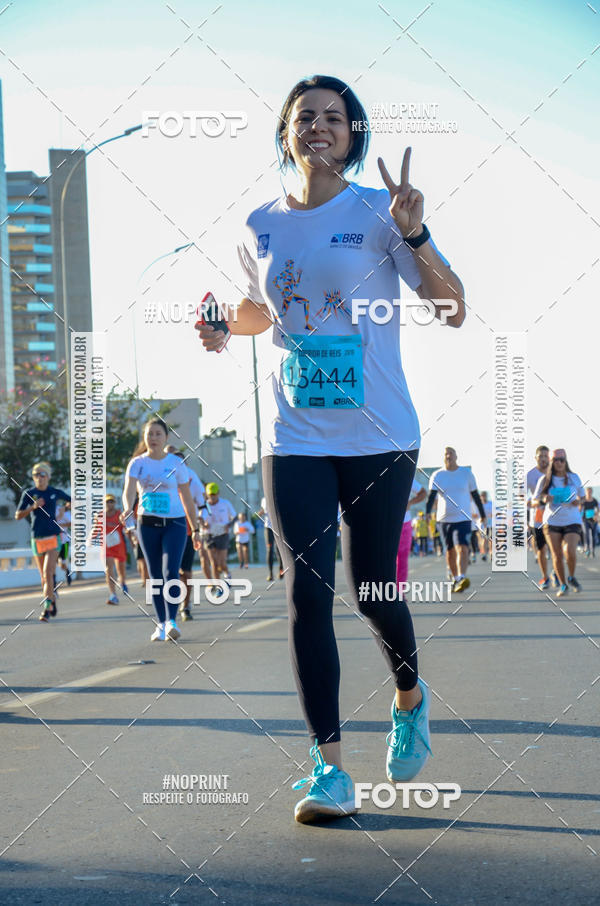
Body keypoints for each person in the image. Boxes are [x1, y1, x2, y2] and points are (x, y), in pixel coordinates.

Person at [196, 74, 465, 823]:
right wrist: (225, 326)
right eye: (304, 116)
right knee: (304, 592)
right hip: (296, 436)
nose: (319, 126)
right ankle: (329, 770)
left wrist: (413, 232)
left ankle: (410, 698)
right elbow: (260, 310)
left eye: (333, 118)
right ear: (286, 132)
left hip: (380, 433)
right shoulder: (258, 224)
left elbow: (454, 309)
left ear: (354, 134)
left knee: (373, 588)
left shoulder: (382, 212)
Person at [121, 418, 200, 641]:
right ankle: (161, 623)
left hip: (175, 523)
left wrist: (195, 529)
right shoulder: (137, 463)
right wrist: (127, 508)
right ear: (144, 438)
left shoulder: (176, 464)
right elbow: (128, 491)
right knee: (154, 575)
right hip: (147, 523)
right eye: (149, 434)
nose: (153, 438)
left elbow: (187, 498)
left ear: (166, 437)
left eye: (158, 434)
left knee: (171, 573)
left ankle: (172, 621)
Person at [15, 462, 71, 621]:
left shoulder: (54, 492)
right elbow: (17, 515)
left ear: (48, 476)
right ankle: (52, 600)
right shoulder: (29, 493)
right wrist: (32, 507)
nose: (39, 477)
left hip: (53, 537)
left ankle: (46, 608)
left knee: (48, 573)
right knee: (44, 577)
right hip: (37, 538)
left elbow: (73, 501)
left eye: (42, 474)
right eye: (35, 475)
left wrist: (66, 509)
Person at [426, 447, 486, 592]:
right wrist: (428, 513)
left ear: (456, 456)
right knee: (450, 551)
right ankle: (455, 577)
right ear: (444, 457)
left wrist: (483, 514)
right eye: (446, 454)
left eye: (451, 454)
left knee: (463, 548)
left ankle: (461, 577)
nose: (448, 456)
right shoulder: (437, 475)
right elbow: (432, 496)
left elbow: (476, 495)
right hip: (444, 520)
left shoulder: (466, 474)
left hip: (463, 518)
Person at [532, 449, 584, 597]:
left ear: (565, 461)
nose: (559, 463)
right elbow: (534, 500)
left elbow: (582, 498)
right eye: (556, 460)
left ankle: (571, 576)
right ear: (551, 462)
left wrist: (577, 502)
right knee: (556, 555)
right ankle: (563, 584)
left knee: (570, 551)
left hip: (572, 519)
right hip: (552, 521)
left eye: (562, 459)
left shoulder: (574, 478)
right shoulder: (545, 480)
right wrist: (543, 499)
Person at [169, 449, 205, 622]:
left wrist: (199, 524)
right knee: (171, 572)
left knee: (186, 572)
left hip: (187, 529)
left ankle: (186, 605)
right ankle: (172, 605)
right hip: (167, 528)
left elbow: (201, 501)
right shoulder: (164, 475)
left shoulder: (191, 476)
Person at [90, 495, 128, 605]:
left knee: (121, 569)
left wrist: (132, 538)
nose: (109, 504)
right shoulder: (100, 516)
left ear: (115, 503)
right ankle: (113, 595)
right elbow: (96, 528)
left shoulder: (120, 515)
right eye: (107, 502)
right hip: (106, 546)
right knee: (108, 568)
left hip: (119, 545)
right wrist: (90, 540)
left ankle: (123, 581)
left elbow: (127, 529)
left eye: (111, 501)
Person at [527, 445, 554, 589]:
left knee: (556, 549)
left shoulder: (556, 473)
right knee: (542, 549)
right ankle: (545, 577)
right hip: (537, 517)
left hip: (555, 517)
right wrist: (526, 502)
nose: (543, 459)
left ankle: (556, 571)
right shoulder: (530, 475)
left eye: (546, 456)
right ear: (536, 458)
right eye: (541, 456)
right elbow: (520, 494)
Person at [200, 483, 237, 587]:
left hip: (222, 535)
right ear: (207, 495)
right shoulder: (204, 505)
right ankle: (218, 587)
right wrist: (204, 524)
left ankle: (227, 574)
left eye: (214, 494)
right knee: (214, 563)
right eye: (210, 495)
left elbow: (234, 517)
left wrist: (229, 525)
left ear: (218, 493)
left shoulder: (225, 503)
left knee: (221, 563)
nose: (212, 497)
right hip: (209, 535)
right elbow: (200, 519)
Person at [396, 480, 426, 584]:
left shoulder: (405, 475)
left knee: (402, 560)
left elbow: (423, 492)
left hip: (404, 522)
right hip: (383, 523)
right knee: (383, 560)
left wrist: (410, 503)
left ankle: (400, 593)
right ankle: (384, 592)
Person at [258, 496, 284, 581]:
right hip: (268, 527)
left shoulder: (277, 497)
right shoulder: (263, 499)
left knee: (278, 549)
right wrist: (260, 513)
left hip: (277, 527)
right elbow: (263, 510)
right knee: (269, 549)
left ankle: (281, 570)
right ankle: (270, 573)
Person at [56, 502, 72, 586]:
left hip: (64, 541)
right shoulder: (49, 510)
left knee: (62, 562)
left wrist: (59, 525)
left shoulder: (65, 513)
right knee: (53, 562)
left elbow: (71, 523)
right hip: (53, 541)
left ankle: (67, 572)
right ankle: (53, 581)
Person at [581, 487, 599, 558]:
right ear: (585, 492)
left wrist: (596, 515)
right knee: (586, 535)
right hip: (585, 520)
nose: (589, 493)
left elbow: (598, 509)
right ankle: (587, 550)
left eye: (590, 491)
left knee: (593, 536)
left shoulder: (594, 500)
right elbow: (580, 509)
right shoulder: (583, 501)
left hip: (594, 520)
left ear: (592, 492)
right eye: (588, 491)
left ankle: (593, 551)